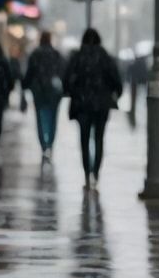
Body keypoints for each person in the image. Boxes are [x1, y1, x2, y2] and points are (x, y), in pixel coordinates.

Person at [63, 28, 123, 189]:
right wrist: (116, 93)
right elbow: (116, 79)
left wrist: (73, 92)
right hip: (101, 105)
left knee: (84, 140)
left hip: (82, 104)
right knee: (98, 139)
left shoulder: (77, 57)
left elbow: (67, 79)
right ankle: (95, 172)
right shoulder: (104, 57)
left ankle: (87, 173)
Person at [23, 31, 67, 160]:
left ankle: (43, 145)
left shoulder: (35, 55)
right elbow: (63, 72)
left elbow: (29, 73)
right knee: (53, 118)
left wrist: (25, 85)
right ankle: (50, 144)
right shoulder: (56, 55)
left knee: (40, 119)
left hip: (39, 91)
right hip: (54, 92)